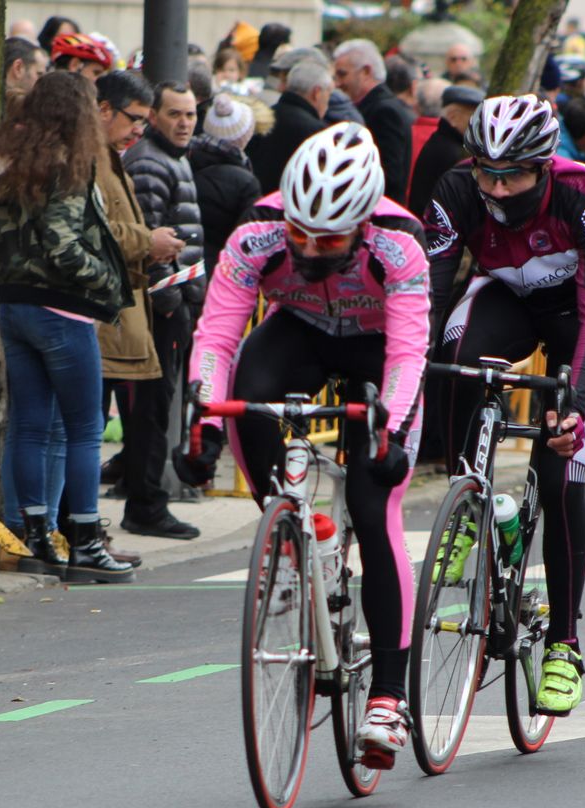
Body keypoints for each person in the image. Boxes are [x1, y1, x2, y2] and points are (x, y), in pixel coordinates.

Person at [181, 123, 429, 768]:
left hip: (376, 348)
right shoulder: (256, 235)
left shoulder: (400, 245)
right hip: (299, 332)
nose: (312, 249)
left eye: (331, 238)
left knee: (376, 511)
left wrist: (392, 431)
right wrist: (203, 424)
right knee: (245, 391)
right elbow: (216, 336)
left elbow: (407, 354)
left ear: (365, 223)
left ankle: (387, 699)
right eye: (301, 235)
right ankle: (287, 529)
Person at [424, 95, 585, 715]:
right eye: (487, 172)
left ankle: (564, 643)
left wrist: (576, 402)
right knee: (452, 351)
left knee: (563, 473)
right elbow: (426, 292)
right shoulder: (457, 188)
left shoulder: (584, 194)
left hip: (581, 313)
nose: (497, 187)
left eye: (512, 175)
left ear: (544, 166)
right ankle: (470, 498)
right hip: (504, 295)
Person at [0, 71, 134, 583]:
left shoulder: (9, 162)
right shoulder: (68, 162)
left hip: (14, 305)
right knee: (85, 429)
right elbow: (64, 243)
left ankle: (35, 535)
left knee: (29, 425)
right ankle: (86, 541)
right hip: (61, 311)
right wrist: (105, 278)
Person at [121, 81, 206, 540]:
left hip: (174, 304)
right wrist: (171, 302)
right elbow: (149, 244)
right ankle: (146, 504)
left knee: (155, 408)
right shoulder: (151, 164)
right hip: (160, 309)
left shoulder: (171, 157)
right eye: (175, 114)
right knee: (149, 410)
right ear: (153, 116)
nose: (185, 122)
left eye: (191, 114)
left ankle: (146, 497)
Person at [190, 93, 262, 278]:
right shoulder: (246, 182)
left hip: (185, 267)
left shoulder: (186, 158)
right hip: (223, 273)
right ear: (244, 136)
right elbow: (248, 242)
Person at [333, 39, 413, 203]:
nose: (337, 83)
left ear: (366, 72)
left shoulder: (384, 111)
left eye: (342, 74)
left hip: (378, 213)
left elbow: (389, 175)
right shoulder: (377, 106)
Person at [248, 60, 331, 194]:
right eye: (328, 94)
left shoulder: (262, 117)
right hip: (289, 207)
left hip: (257, 205)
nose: (328, 101)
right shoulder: (318, 132)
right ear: (317, 92)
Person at [407, 84, 481, 217]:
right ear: (453, 117)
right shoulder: (451, 151)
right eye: (474, 116)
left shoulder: (443, 143)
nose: (480, 123)